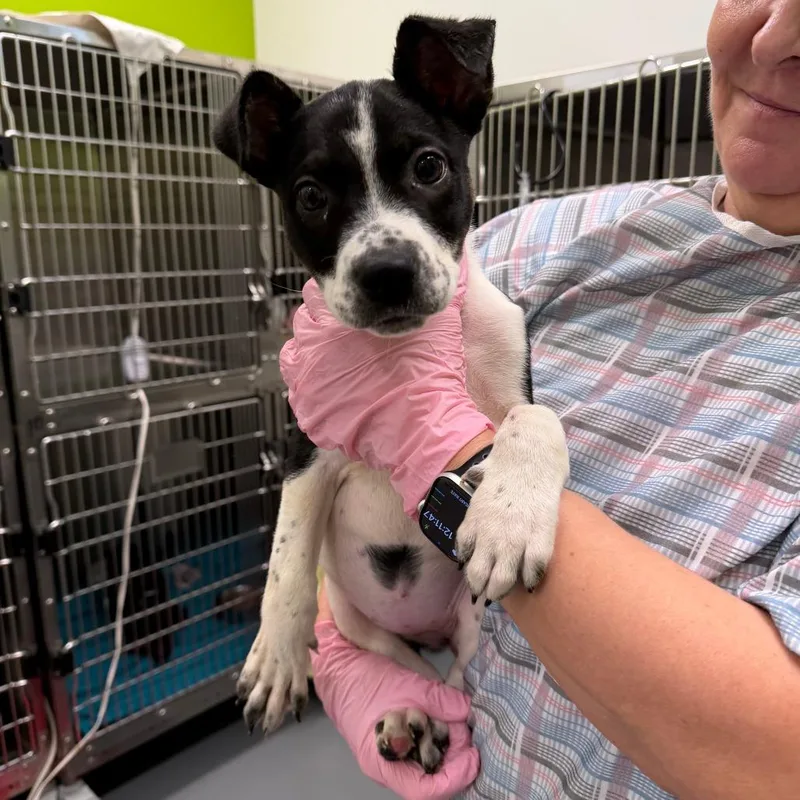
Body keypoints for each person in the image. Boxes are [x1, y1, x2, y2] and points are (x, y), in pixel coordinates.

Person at [281, 1, 800, 798]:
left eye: (423, 173)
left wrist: (432, 442)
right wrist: (343, 642)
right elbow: (346, 490)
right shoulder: (536, 241)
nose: (777, 35)